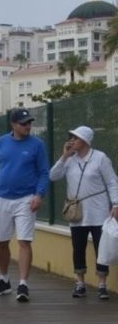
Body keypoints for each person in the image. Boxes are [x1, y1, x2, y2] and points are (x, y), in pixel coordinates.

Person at [0, 108, 50, 302]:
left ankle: (23, 284)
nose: (28, 126)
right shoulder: (1, 142)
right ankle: (4, 281)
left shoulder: (37, 145)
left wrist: (39, 194)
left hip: (26, 199)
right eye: (24, 123)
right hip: (1, 198)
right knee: (2, 242)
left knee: (24, 241)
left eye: (29, 122)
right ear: (13, 125)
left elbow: (44, 172)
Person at [48, 125, 118, 299]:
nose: (71, 141)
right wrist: (64, 155)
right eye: (70, 137)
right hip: (76, 213)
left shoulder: (100, 158)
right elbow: (53, 176)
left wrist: (116, 204)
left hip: (99, 211)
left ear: (85, 140)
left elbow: (112, 182)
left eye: (75, 138)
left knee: (101, 248)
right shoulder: (70, 160)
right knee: (77, 248)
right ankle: (80, 283)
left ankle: (102, 284)